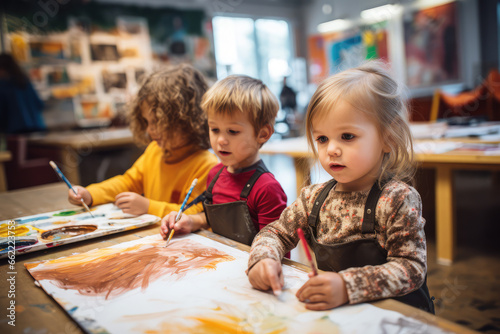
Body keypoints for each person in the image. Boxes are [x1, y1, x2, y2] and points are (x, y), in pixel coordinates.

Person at [247, 61, 434, 313]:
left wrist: (347, 286)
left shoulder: (397, 199)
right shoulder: (313, 198)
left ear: (388, 138)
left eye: (347, 136)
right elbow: (275, 233)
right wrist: (263, 258)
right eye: (322, 138)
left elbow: (411, 268)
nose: (331, 149)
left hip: (396, 319)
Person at [68, 64, 218, 217]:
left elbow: (195, 213)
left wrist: (148, 207)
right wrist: (91, 194)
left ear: (186, 120)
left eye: (158, 121)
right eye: (146, 122)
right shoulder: (155, 150)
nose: (149, 130)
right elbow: (128, 182)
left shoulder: (207, 165)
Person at [160, 75, 287, 246]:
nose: (221, 140)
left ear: (262, 134)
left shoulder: (267, 189)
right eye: (215, 129)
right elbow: (213, 219)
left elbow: (277, 248)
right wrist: (190, 221)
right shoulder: (215, 174)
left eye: (232, 131)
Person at [0, 53, 46, 134]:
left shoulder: (3, 85)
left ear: (2, 69)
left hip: (18, 131)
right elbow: (40, 104)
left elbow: (2, 113)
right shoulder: (25, 81)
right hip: (38, 127)